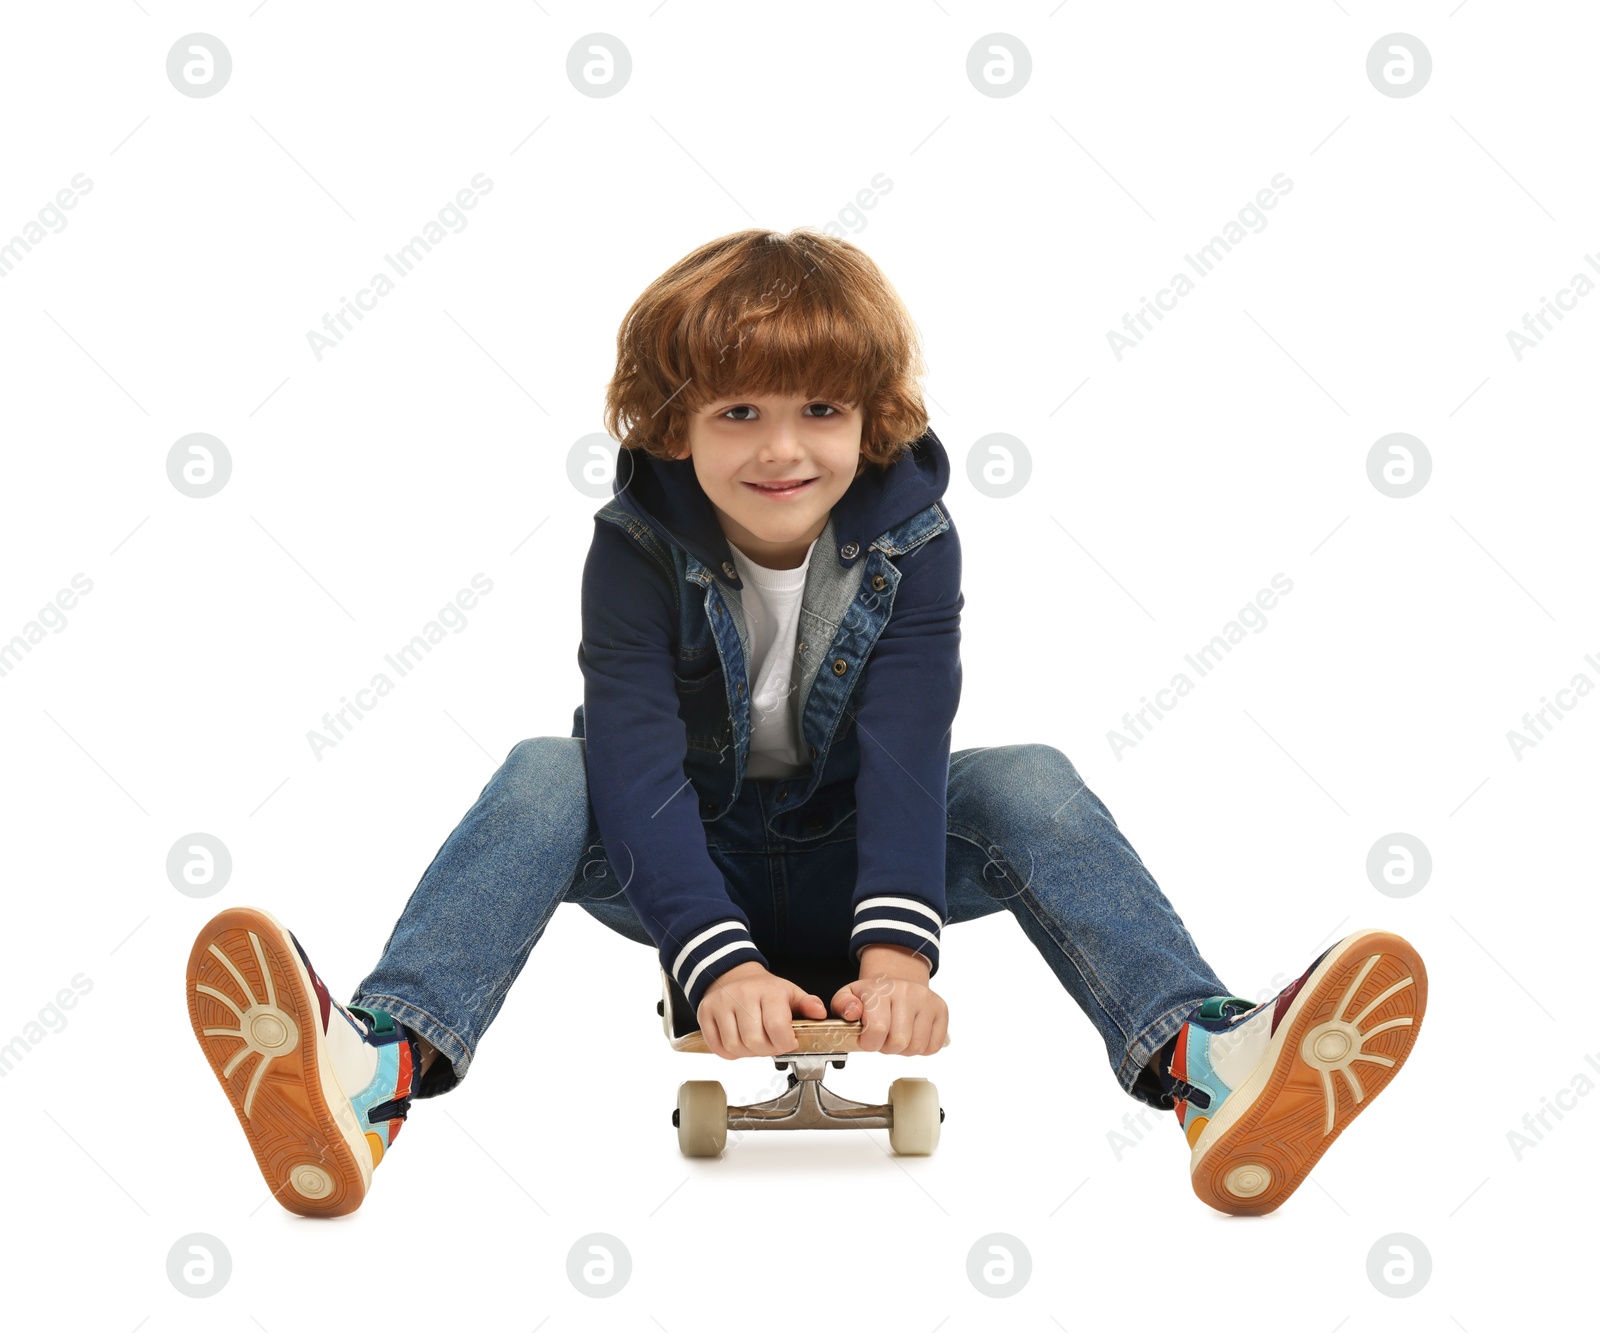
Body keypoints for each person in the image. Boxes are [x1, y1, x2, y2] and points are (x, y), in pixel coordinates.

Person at [185, 228, 1426, 1219]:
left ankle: (1208, 1061)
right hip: (679, 860)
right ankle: (375, 1066)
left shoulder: (913, 541)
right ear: (672, 423)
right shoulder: (632, 550)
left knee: (1029, 777)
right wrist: (712, 956)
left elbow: (905, 741)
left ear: (870, 416)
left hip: (860, 861)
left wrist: (897, 951)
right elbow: (634, 759)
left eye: (821, 412)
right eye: (738, 414)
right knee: (542, 770)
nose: (783, 449)